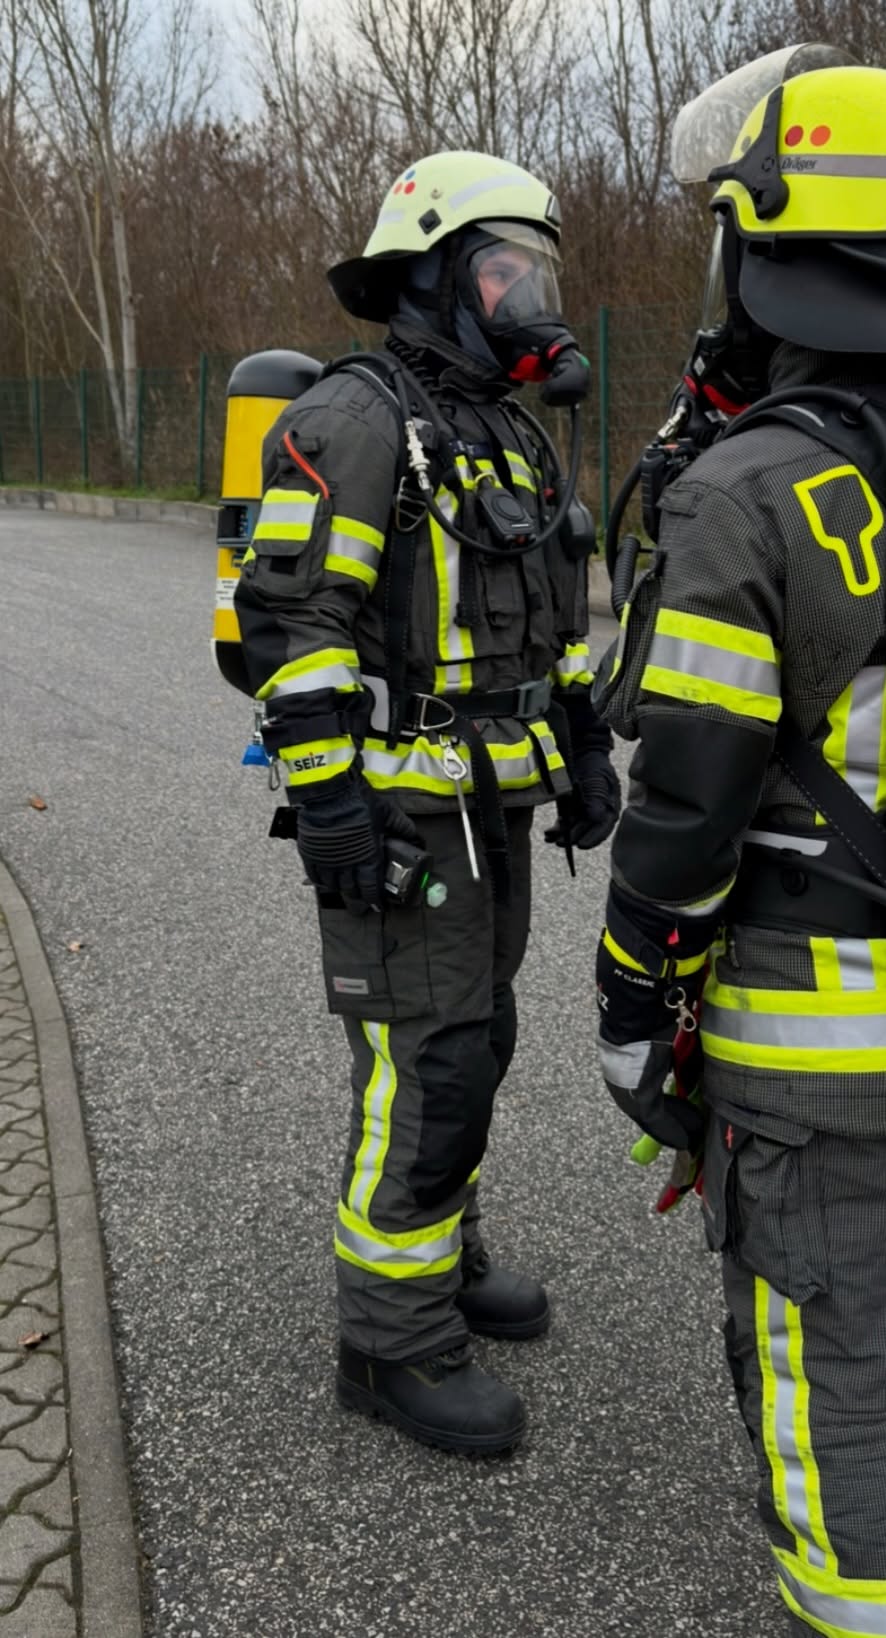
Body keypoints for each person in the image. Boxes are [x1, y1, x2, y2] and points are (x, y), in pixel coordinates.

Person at [595, 63, 886, 1638]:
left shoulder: (746, 490)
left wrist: (630, 995)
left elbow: (687, 803)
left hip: (821, 1073)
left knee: (843, 1390)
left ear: (770, 251)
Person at [235, 151, 617, 1455]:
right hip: (399, 816)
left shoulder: (508, 430)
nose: (530, 295)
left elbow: (558, 619)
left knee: (478, 1039)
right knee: (425, 1061)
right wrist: (331, 805)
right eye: (506, 270)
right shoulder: (355, 420)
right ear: (435, 276)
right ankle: (388, 1340)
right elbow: (293, 624)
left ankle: (439, 1253)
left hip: (490, 807)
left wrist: (583, 745)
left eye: (537, 270)